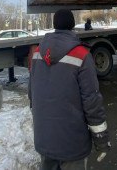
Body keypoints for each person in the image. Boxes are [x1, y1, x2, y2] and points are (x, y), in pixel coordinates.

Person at [29, 9, 110, 169]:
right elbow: (91, 101)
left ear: (54, 25)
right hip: (72, 144)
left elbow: (32, 94)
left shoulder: (38, 52)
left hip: (44, 140)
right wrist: (101, 139)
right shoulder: (81, 54)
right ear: (73, 25)